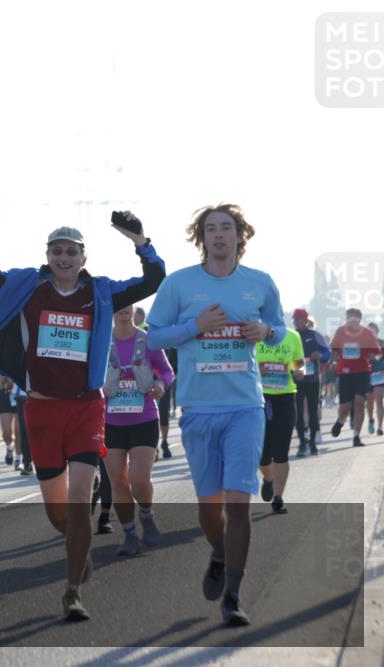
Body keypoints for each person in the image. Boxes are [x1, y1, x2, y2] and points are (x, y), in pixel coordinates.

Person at [0, 188, 165, 621]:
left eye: (72, 251)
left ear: (83, 258)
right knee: (59, 515)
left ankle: (72, 590)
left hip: (87, 408)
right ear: (48, 256)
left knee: (77, 503)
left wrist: (141, 243)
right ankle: (77, 547)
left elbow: (152, 281)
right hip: (40, 408)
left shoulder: (103, 293)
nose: (64, 257)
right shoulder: (26, 286)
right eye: (57, 251)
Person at [148, 202, 286, 627]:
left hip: (245, 405)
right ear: (202, 238)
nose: (220, 235)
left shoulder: (260, 283)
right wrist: (196, 327)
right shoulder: (179, 284)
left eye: (227, 228)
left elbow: (278, 328)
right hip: (199, 409)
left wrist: (265, 331)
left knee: (238, 506)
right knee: (209, 511)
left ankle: (233, 596)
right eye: (212, 229)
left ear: (240, 236)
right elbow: (154, 337)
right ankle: (218, 551)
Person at [102, 305, 174, 555]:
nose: (123, 309)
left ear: (133, 309)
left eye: (128, 305)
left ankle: (146, 514)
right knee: (118, 483)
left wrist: (161, 385)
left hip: (143, 418)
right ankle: (130, 535)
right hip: (111, 421)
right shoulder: (100, 340)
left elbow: (166, 371)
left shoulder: (147, 340)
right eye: (118, 305)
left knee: (138, 479)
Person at [256, 328, 305, 513]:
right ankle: (268, 478)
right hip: (260, 399)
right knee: (263, 454)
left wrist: (300, 371)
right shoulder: (254, 335)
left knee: (281, 450)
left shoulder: (293, 336)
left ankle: (278, 497)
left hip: (285, 397)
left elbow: (300, 363)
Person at [328, 308, 381, 447]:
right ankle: (340, 421)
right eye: (348, 320)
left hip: (362, 372)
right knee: (345, 407)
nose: (350, 323)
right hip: (345, 373)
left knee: (359, 403)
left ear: (359, 320)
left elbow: (376, 351)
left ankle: (356, 436)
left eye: (353, 320)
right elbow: (333, 349)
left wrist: (371, 352)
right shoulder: (340, 331)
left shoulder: (367, 333)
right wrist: (330, 362)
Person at [291, 308, 331, 456]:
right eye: (295, 320)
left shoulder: (315, 336)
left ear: (306, 321)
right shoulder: (292, 336)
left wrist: (319, 355)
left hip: (313, 379)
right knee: (298, 412)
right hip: (297, 379)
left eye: (299, 319)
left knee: (313, 412)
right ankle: (302, 443)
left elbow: (328, 354)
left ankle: (313, 443)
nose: (296, 322)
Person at [157, 348, 178, 458]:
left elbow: (174, 369)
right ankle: (154, 445)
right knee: (153, 417)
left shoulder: (170, 348)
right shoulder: (143, 344)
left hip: (164, 385)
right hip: (146, 385)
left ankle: (164, 442)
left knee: (164, 416)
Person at [367, 322, 384, 436]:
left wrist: (379, 357)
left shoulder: (382, 343)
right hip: (367, 376)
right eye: (369, 330)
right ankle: (371, 420)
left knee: (379, 400)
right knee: (369, 402)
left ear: (377, 331)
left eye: (373, 330)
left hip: (380, 375)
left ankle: (379, 426)